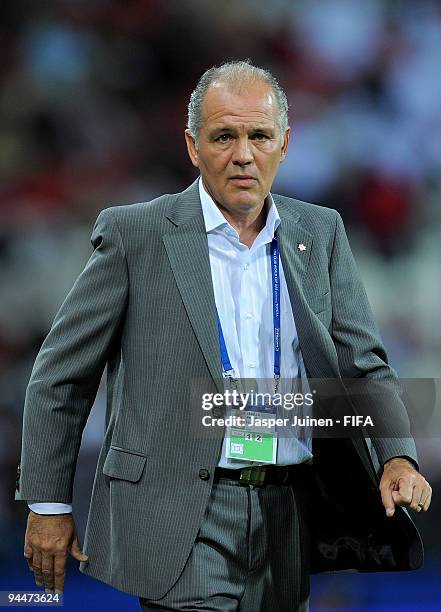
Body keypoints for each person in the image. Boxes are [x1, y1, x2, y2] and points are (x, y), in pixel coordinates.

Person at [16, 60, 432, 611]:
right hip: (179, 512)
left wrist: (397, 458)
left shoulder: (320, 231)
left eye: (259, 135)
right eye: (223, 136)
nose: (242, 154)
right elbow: (61, 376)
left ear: (285, 144)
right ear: (193, 146)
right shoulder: (135, 234)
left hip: (289, 510)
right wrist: (48, 504)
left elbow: (364, 365)